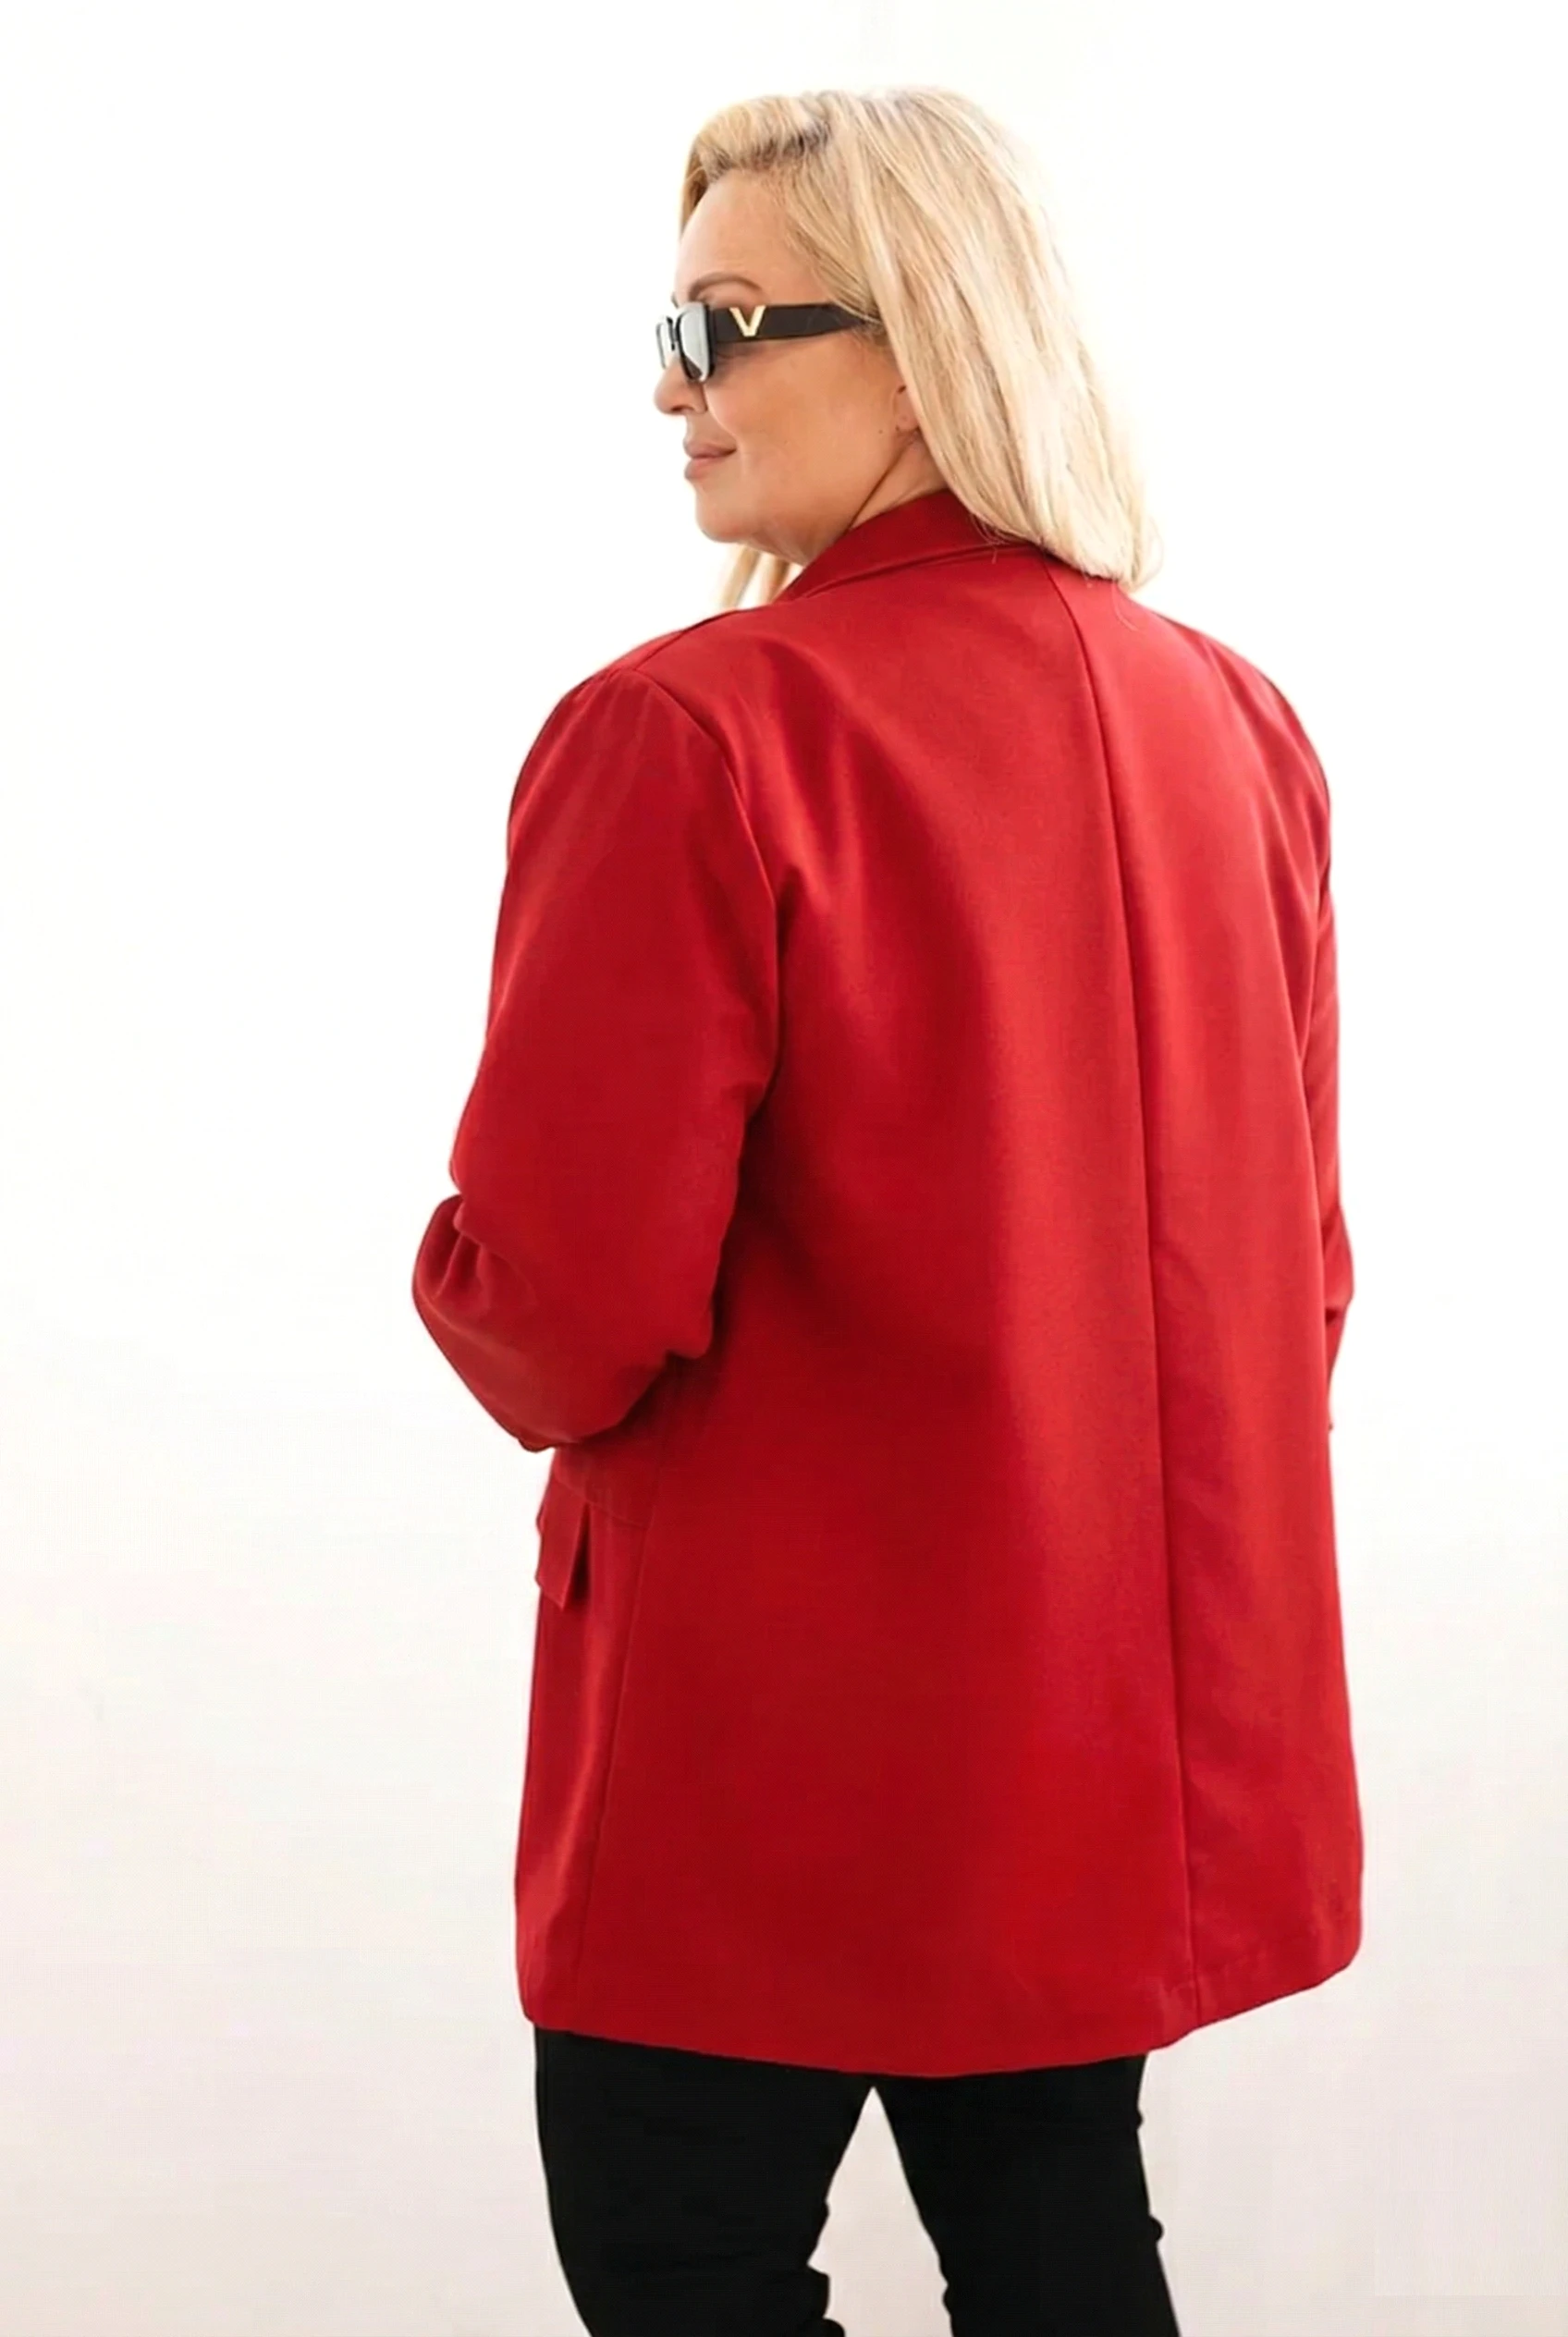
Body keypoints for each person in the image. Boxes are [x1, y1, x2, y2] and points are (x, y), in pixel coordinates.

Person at [412, 83, 1361, 2337]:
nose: (671, 388)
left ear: (922, 339)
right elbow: (1293, 1279)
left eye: (723, 326)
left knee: (681, 2262)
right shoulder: (1230, 721)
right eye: (668, 328)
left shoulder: (692, 733)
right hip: (1094, 1725)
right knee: (1056, 2238)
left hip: (770, 1741)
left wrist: (452, 1264)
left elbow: (559, 1308)